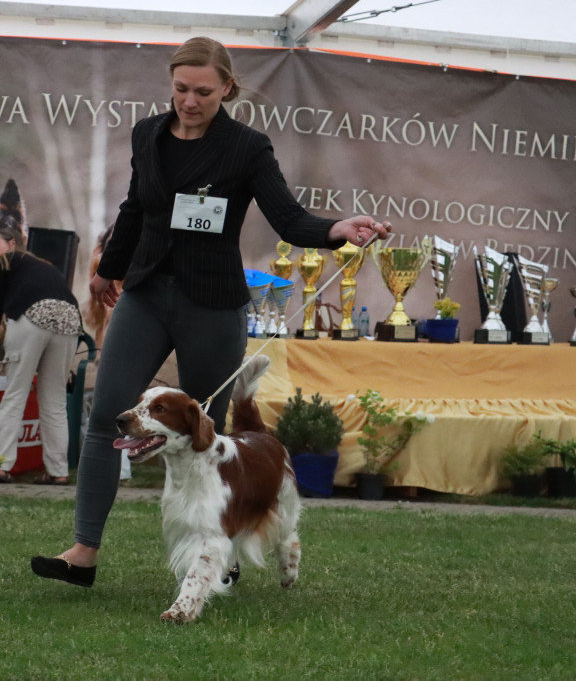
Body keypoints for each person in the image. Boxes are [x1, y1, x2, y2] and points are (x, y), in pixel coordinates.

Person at [30, 36, 391, 587]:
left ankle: (217, 554)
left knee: (206, 432)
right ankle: (83, 552)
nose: (189, 101)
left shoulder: (246, 147)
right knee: (108, 416)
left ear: (227, 87)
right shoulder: (147, 133)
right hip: (147, 293)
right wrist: (109, 268)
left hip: (212, 304)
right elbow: (135, 207)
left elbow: (288, 219)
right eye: (180, 89)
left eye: (202, 91)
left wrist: (337, 230)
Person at [0, 223, 81, 485]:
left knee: (15, 394)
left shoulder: (5, 262)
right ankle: (58, 472)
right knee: (54, 402)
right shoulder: (46, 267)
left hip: (31, 317)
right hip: (68, 322)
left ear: (11, 244)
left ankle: (0, 466)